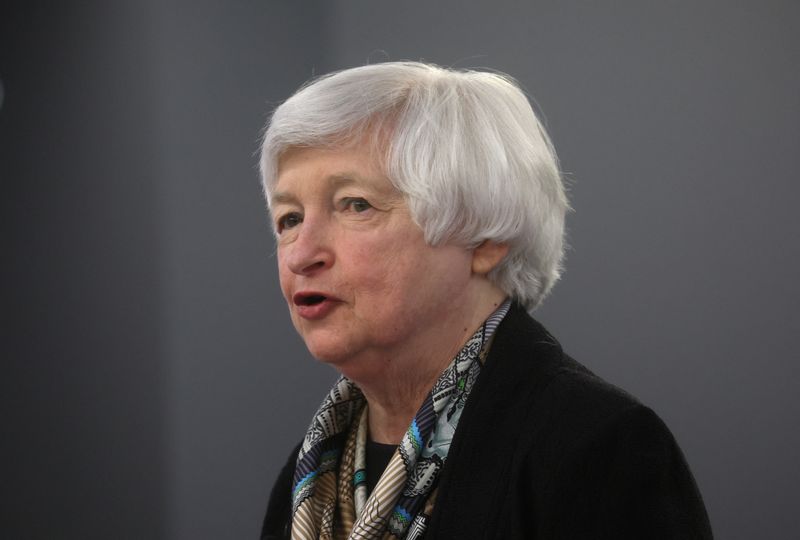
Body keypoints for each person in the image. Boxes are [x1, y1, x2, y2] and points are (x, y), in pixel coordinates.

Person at [258, 62, 712, 540]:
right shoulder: (309, 478)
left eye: (356, 205)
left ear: (483, 237)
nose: (302, 254)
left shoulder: (596, 446)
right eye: (289, 219)